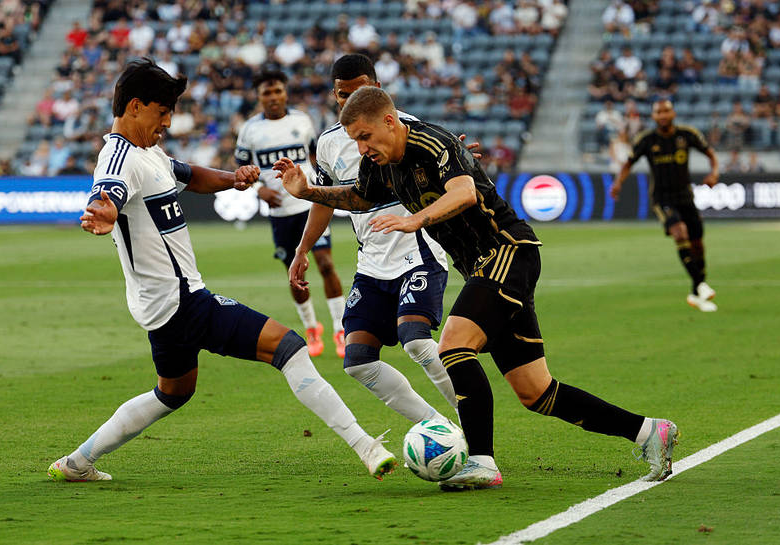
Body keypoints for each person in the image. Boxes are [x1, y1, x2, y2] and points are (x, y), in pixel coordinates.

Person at [275, 86, 680, 491]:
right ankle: (649, 432)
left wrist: (415, 221)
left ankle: (482, 461)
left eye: (365, 137)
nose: (362, 148)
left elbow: (465, 192)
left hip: (507, 250)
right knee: (536, 392)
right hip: (481, 268)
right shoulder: (381, 164)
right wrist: (308, 191)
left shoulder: (431, 141)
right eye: (354, 141)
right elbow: (360, 198)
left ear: (389, 121)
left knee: (452, 345)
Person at [47, 58, 396, 483]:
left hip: (163, 306)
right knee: (289, 348)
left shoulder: (147, 153)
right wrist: (101, 212)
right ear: (135, 106)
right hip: (182, 302)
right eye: (162, 112)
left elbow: (190, 175)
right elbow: (107, 193)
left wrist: (233, 179)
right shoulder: (119, 158)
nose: (168, 122)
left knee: (173, 391)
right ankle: (366, 446)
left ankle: (78, 462)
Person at [289, 54, 457, 430]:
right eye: (341, 95)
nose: (348, 102)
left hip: (418, 249)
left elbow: (451, 174)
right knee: (359, 360)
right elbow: (326, 199)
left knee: (416, 341)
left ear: (376, 90)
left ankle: (472, 424)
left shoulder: (410, 128)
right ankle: (439, 429)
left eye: (356, 93)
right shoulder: (331, 143)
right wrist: (302, 250)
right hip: (372, 261)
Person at [235, 70, 346, 358]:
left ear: (285, 93)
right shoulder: (249, 131)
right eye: (266, 93)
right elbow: (242, 170)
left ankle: (340, 327)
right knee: (295, 272)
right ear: (258, 97)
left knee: (324, 264)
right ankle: (311, 327)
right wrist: (258, 189)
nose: (273, 98)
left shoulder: (302, 120)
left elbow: (315, 158)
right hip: (281, 212)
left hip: (309, 205)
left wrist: (320, 187)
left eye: (277, 92)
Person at [611, 99, 720, 312]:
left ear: (673, 113)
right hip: (662, 199)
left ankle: (697, 290)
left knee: (697, 243)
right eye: (658, 112)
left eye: (666, 111)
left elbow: (710, 154)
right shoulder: (647, 139)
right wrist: (618, 184)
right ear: (653, 117)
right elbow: (628, 163)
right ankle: (701, 284)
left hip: (686, 197)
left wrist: (714, 173)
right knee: (680, 234)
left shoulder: (687, 135)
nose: (662, 115)